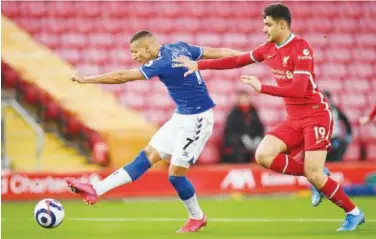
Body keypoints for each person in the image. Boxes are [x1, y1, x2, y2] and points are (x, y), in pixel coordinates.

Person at [173, 3, 365, 231]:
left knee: (313, 173)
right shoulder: (268, 48)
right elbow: (237, 60)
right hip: (294, 118)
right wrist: (199, 65)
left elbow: (298, 90)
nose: (264, 29)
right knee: (263, 155)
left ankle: (353, 212)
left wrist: (261, 87)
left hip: (316, 115)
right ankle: (317, 176)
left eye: (268, 24)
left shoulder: (301, 49)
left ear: (282, 24)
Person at [65, 30, 244, 233]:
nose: (134, 57)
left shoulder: (161, 62)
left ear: (148, 47)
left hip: (198, 119)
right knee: (146, 156)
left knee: (175, 175)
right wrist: (247, 55)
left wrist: (87, 79)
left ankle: (197, 217)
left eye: (135, 52)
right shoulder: (180, 47)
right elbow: (216, 51)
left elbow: (123, 76)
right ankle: (95, 190)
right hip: (181, 116)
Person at [221, 90, 264, 163]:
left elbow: (259, 127)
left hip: (252, 138)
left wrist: (258, 137)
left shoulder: (254, 111)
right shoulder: (233, 113)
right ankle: (240, 164)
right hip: (237, 138)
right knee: (236, 143)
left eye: (246, 98)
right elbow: (230, 131)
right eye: (242, 98)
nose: (244, 100)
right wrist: (242, 137)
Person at [323, 90, 352, 162]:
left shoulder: (336, 110)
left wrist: (349, 134)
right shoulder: (319, 110)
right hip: (324, 139)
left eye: (327, 99)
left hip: (335, 138)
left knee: (337, 155)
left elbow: (346, 121)